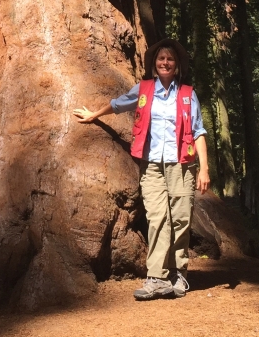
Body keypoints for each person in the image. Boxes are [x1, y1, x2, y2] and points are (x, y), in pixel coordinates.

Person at [72, 39, 210, 300]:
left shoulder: (187, 94)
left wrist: (204, 169)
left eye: (170, 59)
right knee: (158, 218)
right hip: (152, 166)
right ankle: (156, 277)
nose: (165, 63)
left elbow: (199, 131)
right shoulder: (144, 89)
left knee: (181, 219)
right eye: (161, 59)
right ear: (154, 64)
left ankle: (178, 273)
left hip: (182, 165)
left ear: (177, 65)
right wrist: (94, 115)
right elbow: (119, 104)